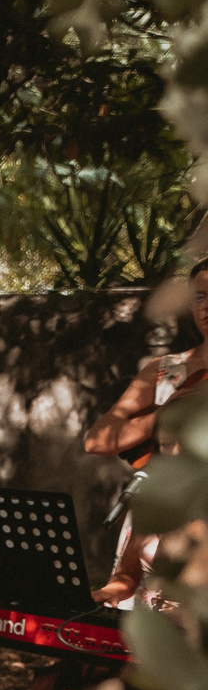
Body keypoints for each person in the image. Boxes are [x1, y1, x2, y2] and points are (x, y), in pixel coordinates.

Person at [84, 258, 208, 602]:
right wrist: (165, 415)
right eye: (200, 297)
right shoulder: (166, 371)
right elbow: (97, 440)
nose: (207, 307)